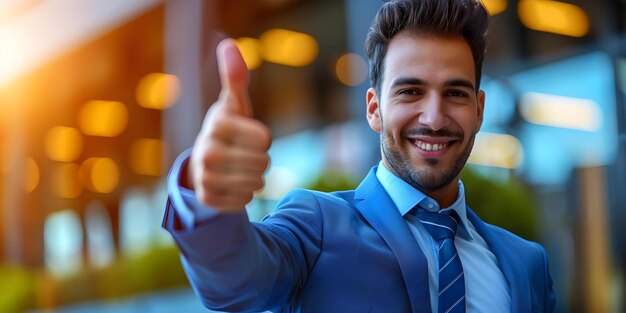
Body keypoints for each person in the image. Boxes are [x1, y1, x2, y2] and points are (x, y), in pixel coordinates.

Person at [162, 0, 556, 312]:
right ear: (373, 109)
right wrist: (205, 195)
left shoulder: (526, 263)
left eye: (455, 93)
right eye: (410, 92)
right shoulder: (314, 226)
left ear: (479, 110)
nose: (435, 118)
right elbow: (236, 283)